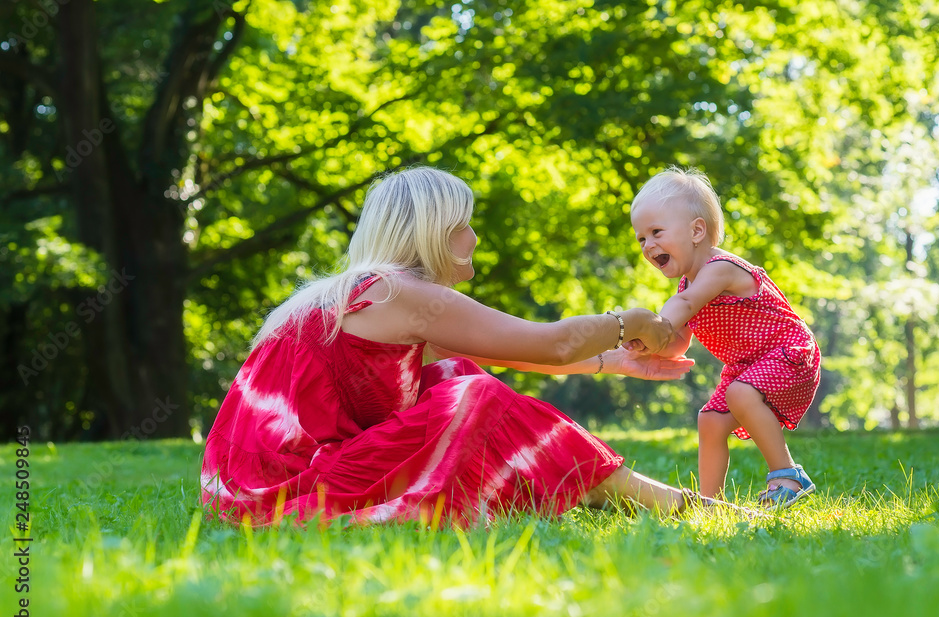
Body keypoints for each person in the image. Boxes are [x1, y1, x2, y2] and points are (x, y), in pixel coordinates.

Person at [201, 166, 744, 528]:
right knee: (471, 397)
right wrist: (633, 323)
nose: (474, 238)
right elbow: (547, 343)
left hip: (255, 485)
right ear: (435, 231)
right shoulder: (397, 292)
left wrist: (612, 361)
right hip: (277, 492)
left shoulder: (371, 295)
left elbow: (512, 353)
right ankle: (674, 504)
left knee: (456, 375)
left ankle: (619, 492)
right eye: (465, 225)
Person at [629, 166, 821, 508]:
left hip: (787, 351)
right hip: (750, 365)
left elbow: (683, 306)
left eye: (656, 232)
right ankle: (709, 502)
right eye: (641, 238)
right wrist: (650, 346)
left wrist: (652, 325)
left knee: (740, 393)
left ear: (697, 231)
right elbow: (676, 340)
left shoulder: (719, 269)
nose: (648, 245)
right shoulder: (688, 286)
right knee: (711, 420)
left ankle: (788, 475)